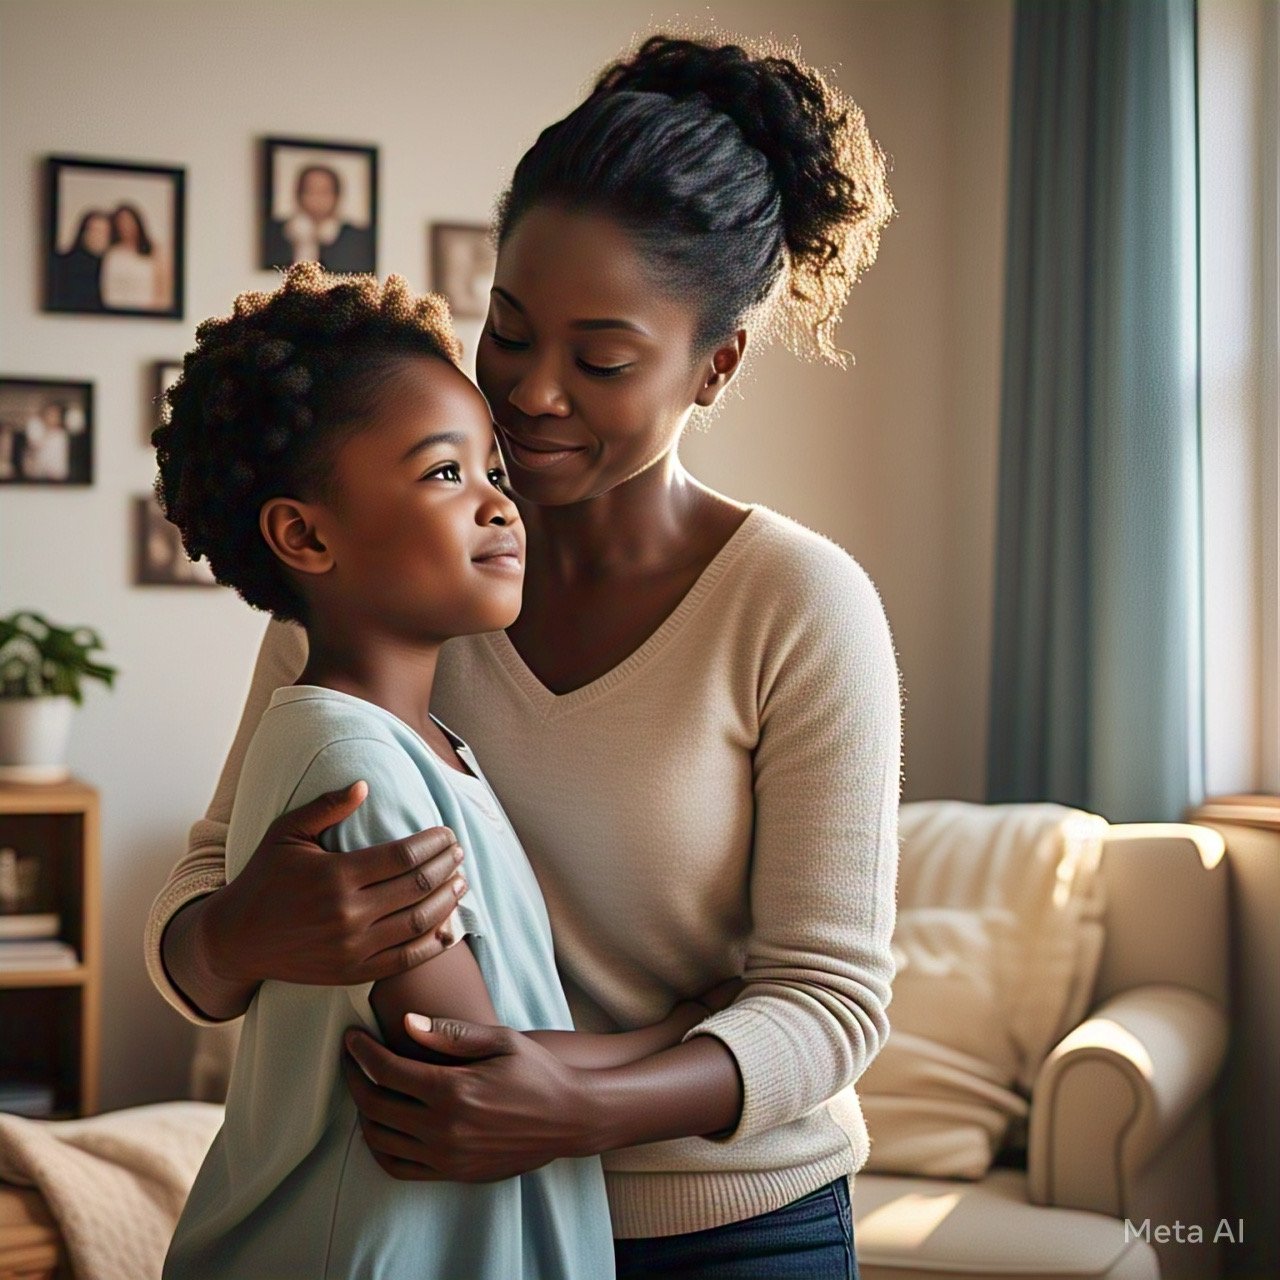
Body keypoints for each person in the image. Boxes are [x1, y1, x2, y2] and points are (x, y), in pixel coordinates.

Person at [147, 34, 901, 1278]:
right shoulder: (375, 577)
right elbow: (199, 905)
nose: (531, 393)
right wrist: (242, 934)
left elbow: (828, 1001)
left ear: (714, 365)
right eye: (508, 329)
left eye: (600, 359)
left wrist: (585, 1105)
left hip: (727, 1231)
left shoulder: (795, 605)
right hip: (448, 1223)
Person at [156, 263, 738, 1278]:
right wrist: (682, 1031)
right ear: (304, 533)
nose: (500, 507)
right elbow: (467, 1055)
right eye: (443, 474)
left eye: (491, 473)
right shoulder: (347, 761)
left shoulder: (433, 745)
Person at [264, 162, 375, 272]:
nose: (317, 198)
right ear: (298, 194)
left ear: (336, 196)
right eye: (310, 191)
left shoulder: (357, 238)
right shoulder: (276, 231)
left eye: (324, 192)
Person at [102, 203, 165, 310]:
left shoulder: (153, 250)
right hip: (115, 311)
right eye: (121, 223)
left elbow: (162, 287)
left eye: (129, 221)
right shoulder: (110, 251)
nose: (125, 227)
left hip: (146, 310)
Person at [51, 209, 111, 310]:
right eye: (94, 230)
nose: (98, 236)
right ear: (83, 233)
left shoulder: (111, 265)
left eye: (104, 232)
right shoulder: (64, 262)